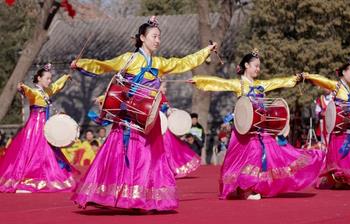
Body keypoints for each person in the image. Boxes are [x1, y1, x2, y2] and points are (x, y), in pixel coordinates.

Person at [71, 16, 217, 211]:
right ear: (142, 37)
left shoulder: (158, 63)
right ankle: (115, 195)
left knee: (150, 158)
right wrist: (82, 64)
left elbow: (184, 63)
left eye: (159, 37)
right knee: (123, 155)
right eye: (154, 36)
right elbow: (104, 65)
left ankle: (144, 197)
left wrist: (206, 51)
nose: (158, 40)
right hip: (129, 117)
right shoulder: (128, 59)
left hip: (149, 118)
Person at [191, 49, 324, 200]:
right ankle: (246, 190)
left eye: (259, 66)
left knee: (275, 152)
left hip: (260, 129)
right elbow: (219, 83)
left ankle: (253, 188)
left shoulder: (261, 85)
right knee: (251, 154)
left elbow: (278, 82)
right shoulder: (239, 84)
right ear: (247, 65)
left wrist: (295, 79)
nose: (258, 69)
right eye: (255, 66)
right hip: (244, 131)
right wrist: (199, 80)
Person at [0, 64, 75, 193]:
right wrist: (22, 87)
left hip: (45, 127)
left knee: (48, 153)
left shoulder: (47, 91)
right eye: (47, 78)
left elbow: (56, 86)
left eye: (50, 78)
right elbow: (28, 91)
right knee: (30, 153)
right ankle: (26, 179)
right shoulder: (34, 93)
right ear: (39, 78)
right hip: (34, 128)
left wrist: (65, 77)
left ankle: (45, 178)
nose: (49, 81)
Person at [303, 57, 350, 188]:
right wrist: (307, 76)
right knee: (340, 153)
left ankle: (349, 178)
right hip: (338, 128)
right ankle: (340, 178)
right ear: (344, 73)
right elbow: (321, 80)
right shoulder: (336, 86)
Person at [159, 82, 201, 178]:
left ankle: (170, 169)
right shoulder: (155, 96)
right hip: (160, 129)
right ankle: (166, 170)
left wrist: (171, 111)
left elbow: (167, 111)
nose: (166, 89)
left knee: (171, 149)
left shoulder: (163, 97)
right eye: (164, 87)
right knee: (167, 150)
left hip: (164, 128)